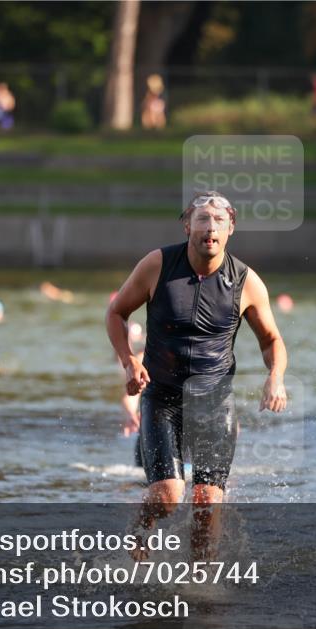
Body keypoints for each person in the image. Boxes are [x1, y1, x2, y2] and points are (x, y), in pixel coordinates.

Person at [106, 191, 288, 558]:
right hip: (163, 399)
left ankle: (201, 582)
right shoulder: (158, 265)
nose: (210, 227)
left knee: (206, 502)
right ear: (187, 225)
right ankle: (141, 525)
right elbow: (116, 313)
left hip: (215, 403)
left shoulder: (246, 282)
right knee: (169, 495)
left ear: (230, 229)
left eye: (219, 221)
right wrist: (129, 361)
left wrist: (276, 377)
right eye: (202, 219)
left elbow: (272, 340)